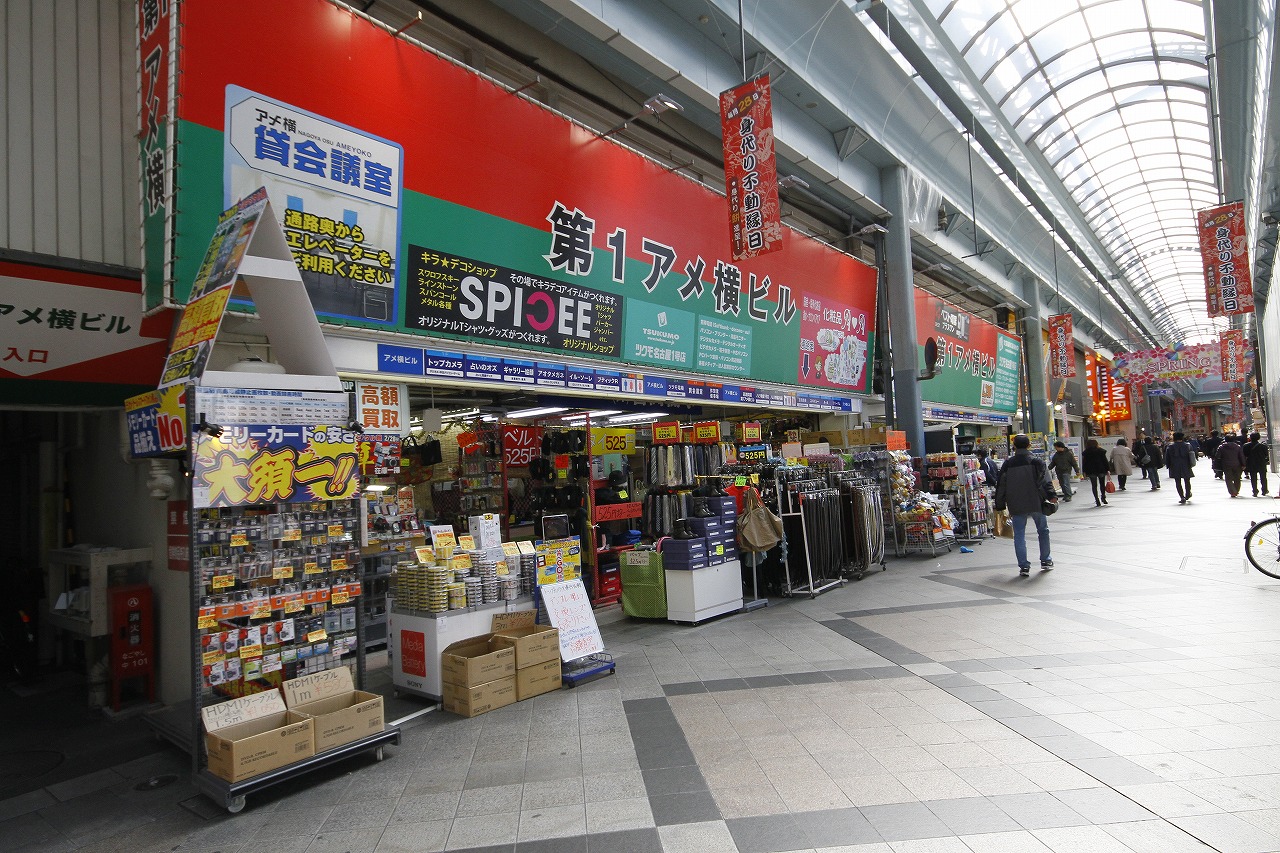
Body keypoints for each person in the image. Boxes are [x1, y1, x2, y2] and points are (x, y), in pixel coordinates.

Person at [993, 433, 1055, 577]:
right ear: (1029, 445)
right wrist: (1052, 496)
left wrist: (1000, 503)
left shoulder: (1008, 464)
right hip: (1036, 501)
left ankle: (1024, 566)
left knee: (1019, 534)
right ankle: (1046, 560)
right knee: (1043, 530)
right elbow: (1046, 481)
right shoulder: (1036, 462)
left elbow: (1001, 485)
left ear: (1014, 446)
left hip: (1016, 503)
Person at [1165, 431, 1196, 504]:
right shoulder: (1187, 445)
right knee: (1187, 480)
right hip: (1186, 465)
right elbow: (1192, 455)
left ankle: (1182, 497)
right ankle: (1188, 494)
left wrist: (1168, 465)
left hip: (1175, 465)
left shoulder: (1170, 446)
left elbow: (1167, 457)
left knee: (1177, 482)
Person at [1081, 438, 1111, 506]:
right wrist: (1108, 470)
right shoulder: (1101, 451)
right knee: (1102, 484)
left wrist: (1084, 471)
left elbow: (1084, 463)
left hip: (1091, 471)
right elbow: (1105, 461)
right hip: (1101, 469)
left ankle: (1097, 500)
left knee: (1094, 486)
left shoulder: (1086, 453)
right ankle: (1103, 497)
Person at [1244, 432, 1270, 497]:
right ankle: (1264, 490)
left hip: (1251, 463)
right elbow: (1266, 455)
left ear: (1250, 438)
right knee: (1263, 477)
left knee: (1253, 478)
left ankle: (1255, 491)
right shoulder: (1263, 446)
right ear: (1258, 438)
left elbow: (1245, 455)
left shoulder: (1246, 446)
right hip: (1261, 463)